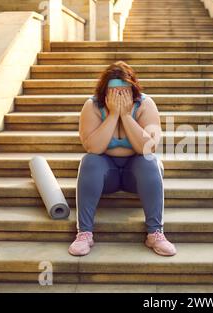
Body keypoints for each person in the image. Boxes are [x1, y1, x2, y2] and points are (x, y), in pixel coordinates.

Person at [68, 61, 176, 257]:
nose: (119, 96)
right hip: (106, 174)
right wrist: (112, 116)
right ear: (104, 91)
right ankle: (84, 233)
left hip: (135, 175)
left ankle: (155, 232)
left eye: (124, 91)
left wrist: (126, 116)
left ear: (132, 89)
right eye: (114, 91)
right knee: (89, 161)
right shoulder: (92, 106)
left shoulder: (145, 104)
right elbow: (94, 147)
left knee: (150, 161)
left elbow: (148, 148)